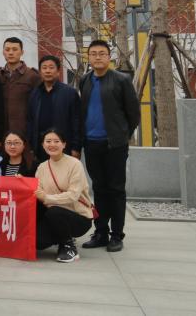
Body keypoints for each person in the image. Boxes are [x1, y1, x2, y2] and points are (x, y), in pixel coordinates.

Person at [79, 39, 139, 253]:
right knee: (98, 188)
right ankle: (101, 232)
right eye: (93, 54)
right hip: (91, 143)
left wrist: (122, 136)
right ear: (88, 57)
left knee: (116, 189)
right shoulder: (85, 80)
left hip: (114, 145)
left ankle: (117, 235)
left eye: (101, 53)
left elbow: (133, 114)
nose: (97, 57)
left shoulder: (122, 80)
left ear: (109, 56)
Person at [35, 129, 95, 263]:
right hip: (53, 215)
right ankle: (60, 236)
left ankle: (68, 246)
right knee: (37, 242)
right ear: (43, 145)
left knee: (54, 212)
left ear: (64, 144)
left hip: (79, 217)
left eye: (56, 141)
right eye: (48, 141)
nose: (52, 144)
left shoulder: (75, 164)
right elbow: (38, 192)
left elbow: (73, 195)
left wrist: (47, 198)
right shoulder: (41, 167)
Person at [27, 55, 82, 163]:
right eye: (44, 68)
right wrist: (32, 146)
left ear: (58, 71)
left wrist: (76, 147)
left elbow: (77, 121)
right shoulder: (35, 93)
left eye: (51, 67)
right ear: (40, 72)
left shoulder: (70, 93)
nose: (48, 71)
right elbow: (30, 121)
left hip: (64, 147)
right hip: (41, 147)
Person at [0, 37, 41, 137]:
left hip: (25, 132)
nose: (11, 53)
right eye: (7, 50)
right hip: (1, 132)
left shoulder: (33, 76)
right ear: (3, 52)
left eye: (15, 49)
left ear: (22, 52)